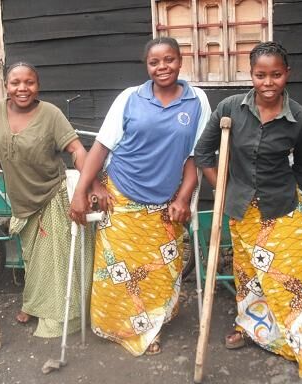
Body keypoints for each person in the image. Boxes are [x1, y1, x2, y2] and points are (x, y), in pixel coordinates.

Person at [194, 41, 302, 378]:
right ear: (250, 74)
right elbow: (203, 153)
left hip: (282, 210)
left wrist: (286, 189)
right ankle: (257, 329)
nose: (267, 82)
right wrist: (222, 190)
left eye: (275, 75)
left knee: (293, 280)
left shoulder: (300, 118)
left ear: (287, 75)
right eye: (260, 75)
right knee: (251, 277)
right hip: (242, 211)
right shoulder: (230, 107)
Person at [68, 37, 211, 355]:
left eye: (169, 59)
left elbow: (194, 157)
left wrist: (184, 197)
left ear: (180, 60)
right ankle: (126, 328)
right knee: (120, 271)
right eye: (154, 62)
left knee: (159, 269)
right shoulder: (129, 98)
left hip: (164, 204)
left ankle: (152, 321)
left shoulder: (197, 101)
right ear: (147, 66)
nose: (163, 67)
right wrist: (84, 190)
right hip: (121, 198)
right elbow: (101, 148)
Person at [0, 62, 96, 337]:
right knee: (31, 257)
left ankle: (61, 312)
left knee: (55, 261)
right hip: (21, 199)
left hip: (52, 194)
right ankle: (34, 303)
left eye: (29, 82)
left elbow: (76, 148)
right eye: (16, 82)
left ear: (37, 86)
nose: (22, 88)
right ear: (6, 85)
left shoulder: (50, 114)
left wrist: (87, 187)